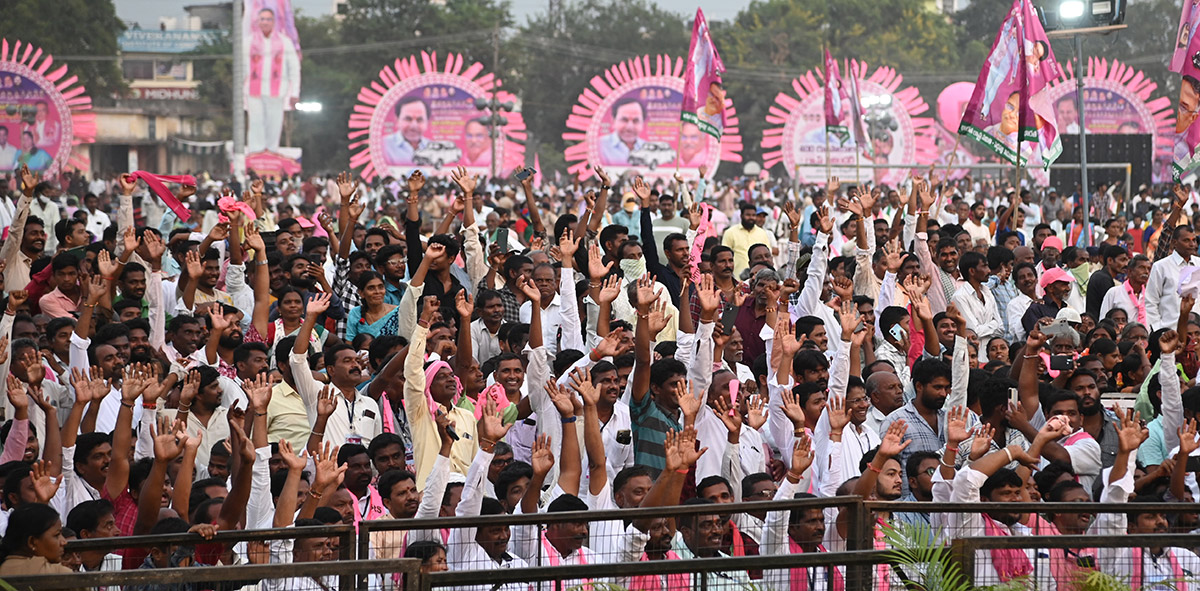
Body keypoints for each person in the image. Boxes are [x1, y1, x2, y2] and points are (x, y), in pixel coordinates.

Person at [244, 5, 301, 153]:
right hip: (253, 90)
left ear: (274, 21)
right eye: (262, 19)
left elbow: (294, 68)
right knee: (255, 121)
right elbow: (241, 68)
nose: (265, 22)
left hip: (277, 90)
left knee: (274, 123)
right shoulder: (248, 42)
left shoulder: (284, 42)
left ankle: (271, 151)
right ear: (257, 21)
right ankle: (256, 153)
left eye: (268, 19)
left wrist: (295, 92)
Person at [384, 97, 432, 165]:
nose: (414, 126)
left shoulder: (434, 147)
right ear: (397, 120)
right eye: (408, 119)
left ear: (427, 122)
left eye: (419, 120)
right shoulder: (383, 146)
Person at [600, 98, 646, 165]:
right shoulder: (600, 146)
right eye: (624, 120)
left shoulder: (649, 148)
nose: (630, 127)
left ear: (643, 123)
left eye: (636, 120)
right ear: (613, 121)